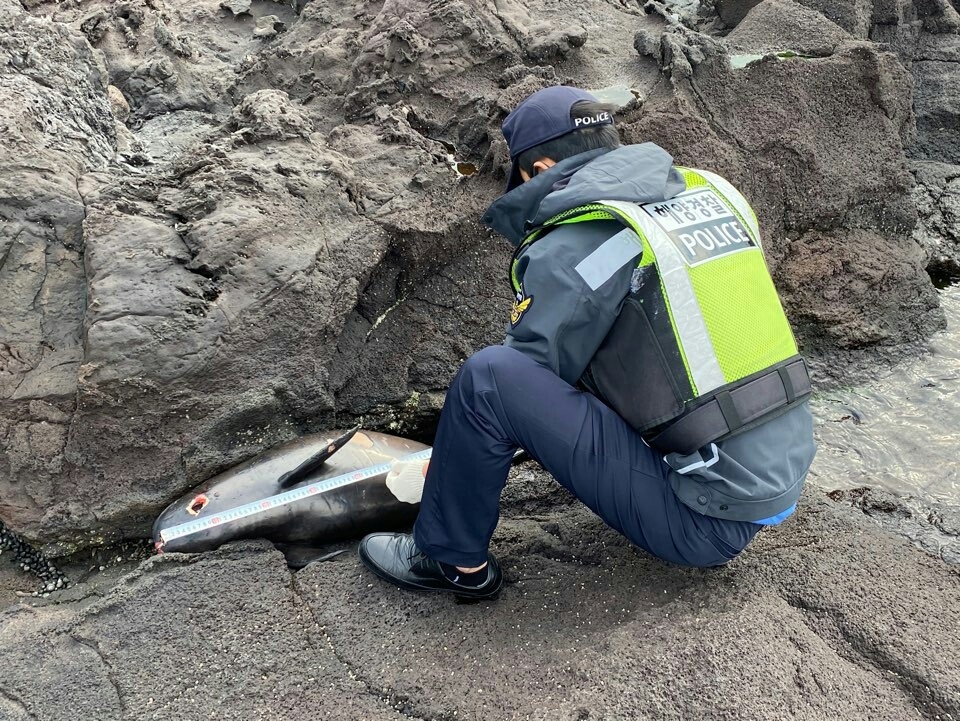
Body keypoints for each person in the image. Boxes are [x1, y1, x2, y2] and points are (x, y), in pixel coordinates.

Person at [358, 85, 816, 600]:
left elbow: (525, 385)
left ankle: (450, 560)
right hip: (782, 470)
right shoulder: (709, 193)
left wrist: (456, 457)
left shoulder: (578, 239)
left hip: (702, 523)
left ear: (541, 168)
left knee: (487, 380)